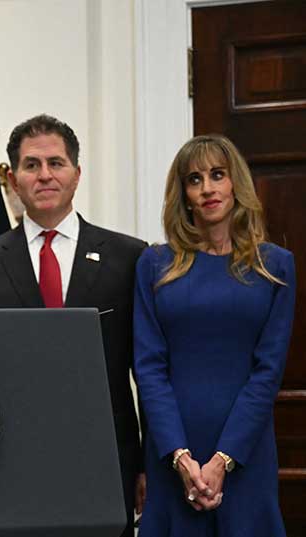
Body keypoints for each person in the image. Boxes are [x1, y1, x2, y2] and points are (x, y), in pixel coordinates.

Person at [0, 114, 147, 537]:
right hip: (8, 462)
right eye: (31, 165)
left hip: (107, 458)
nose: (44, 175)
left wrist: (146, 463)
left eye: (56, 163)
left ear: (77, 174)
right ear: (13, 180)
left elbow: (147, 371)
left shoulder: (129, 258)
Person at [134, 134, 294, 536]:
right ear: (184, 195)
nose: (207, 188)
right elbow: (148, 367)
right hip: (172, 453)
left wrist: (224, 458)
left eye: (217, 175)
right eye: (195, 179)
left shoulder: (275, 266)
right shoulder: (154, 264)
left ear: (235, 183)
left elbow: (268, 371)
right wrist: (180, 457)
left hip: (246, 450)